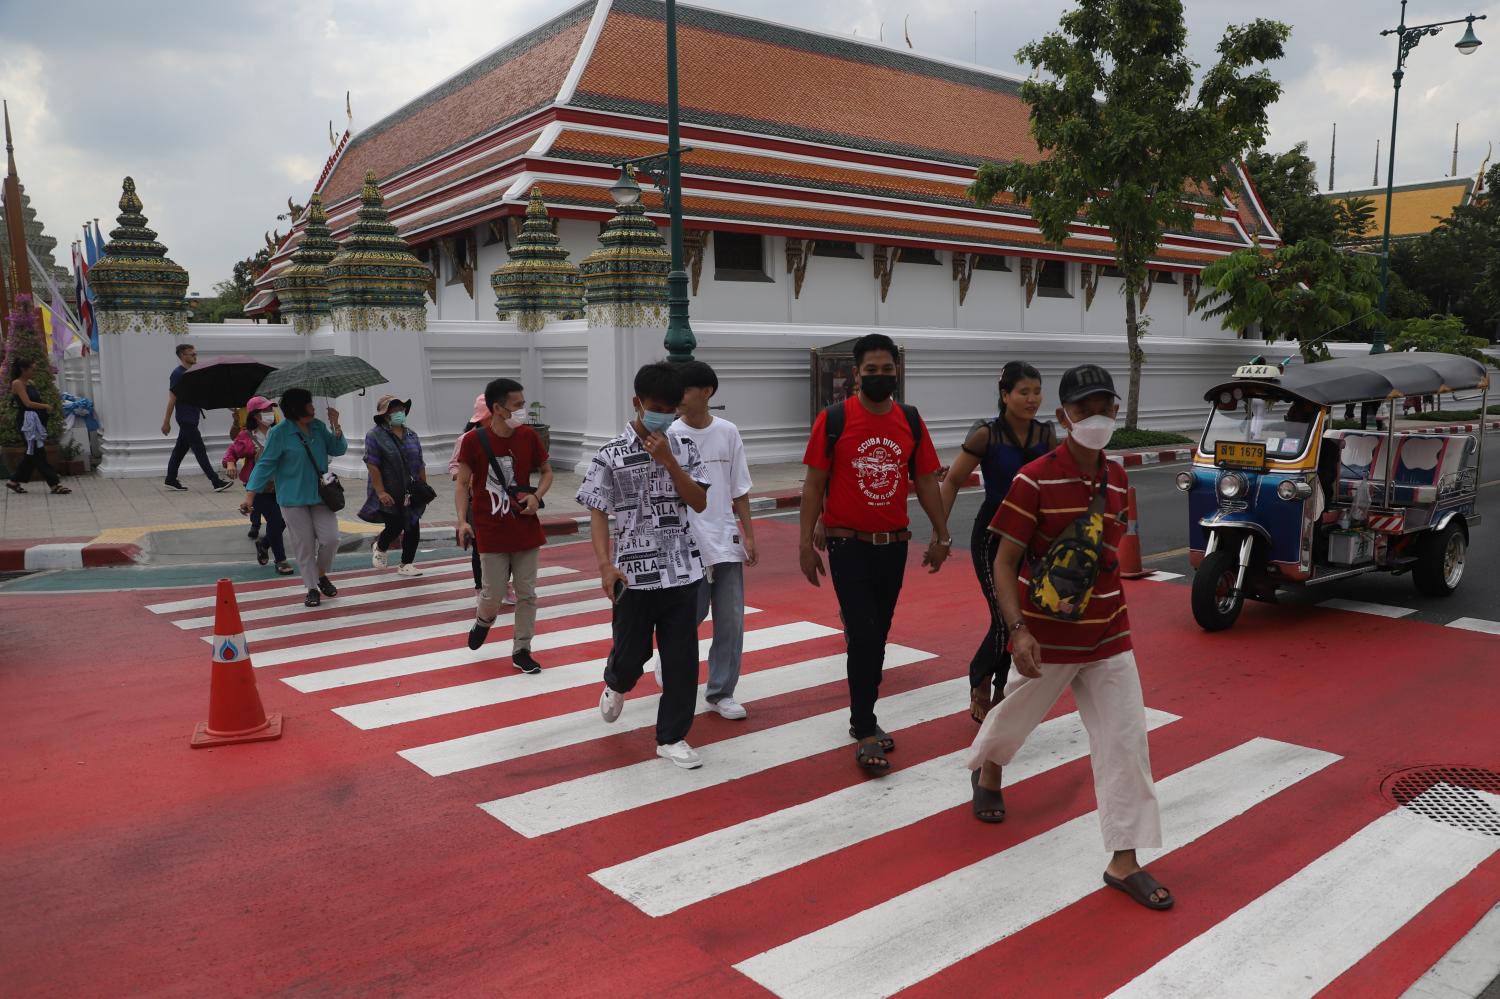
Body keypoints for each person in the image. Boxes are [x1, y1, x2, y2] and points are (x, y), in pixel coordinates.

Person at [966, 363, 1171, 911]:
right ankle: (990, 769)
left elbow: (1110, 555)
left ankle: (1124, 860)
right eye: (1084, 408)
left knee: (1126, 744)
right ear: (1065, 416)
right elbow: (1005, 561)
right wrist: (1018, 630)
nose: (1095, 416)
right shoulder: (1033, 480)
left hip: (1108, 633)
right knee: (1016, 715)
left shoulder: (1119, 479)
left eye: (1104, 406)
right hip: (1047, 635)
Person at [799, 333, 951, 775]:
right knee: (866, 635)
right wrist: (805, 543)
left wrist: (942, 536)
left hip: (894, 545)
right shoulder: (834, 419)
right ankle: (864, 725)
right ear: (856, 373)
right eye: (872, 370)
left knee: (877, 634)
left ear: (896, 371)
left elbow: (926, 481)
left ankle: (863, 712)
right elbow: (813, 484)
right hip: (847, 544)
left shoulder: (910, 419)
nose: (880, 376)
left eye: (887, 370)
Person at [578, 361, 710, 770]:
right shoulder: (610, 455)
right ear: (637, 403)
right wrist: (605, 566)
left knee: (682, 661)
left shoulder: (684, 448)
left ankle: (671, 737)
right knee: (631, 655)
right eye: (657, 408)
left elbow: (699, 501)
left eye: (672, 409)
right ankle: (617, 681)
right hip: (632, 579)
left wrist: (670, 461)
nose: (665, 416)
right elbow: (598, 512)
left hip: (682, 572)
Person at [939, 361, 1054, 724]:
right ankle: (980, 675)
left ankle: (1001, 683)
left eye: (1037, 391)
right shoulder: (986, 435)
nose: (1032, 399)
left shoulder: (1046, 434)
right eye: (1024, 392)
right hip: (992, 536)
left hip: (1031, 538)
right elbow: (952, 480)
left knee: (1020, 616)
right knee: (1006, 619)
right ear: (1005, 395)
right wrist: (940, 533)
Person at [670, 360, 757, 720]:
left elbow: (739, 488)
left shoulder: (727, 432)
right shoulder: (669, 435)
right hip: (685, 544)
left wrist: (749, 534)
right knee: (687, 617)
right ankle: (670, 664)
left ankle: (721, 692)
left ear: (706, 392)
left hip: (724, 539)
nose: (678, 398)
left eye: (685, 390)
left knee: (731, 620)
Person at [455, 378, 553, 672]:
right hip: (491, 529)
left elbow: (547, 472)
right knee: (493, 593)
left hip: (525, 527)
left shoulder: (528, 437)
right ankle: (484, 620)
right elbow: (461, 483)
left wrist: (536, 496)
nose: (522, 410)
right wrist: (462, 521)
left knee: (527, 593)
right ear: (498, 408)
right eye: (517, 405)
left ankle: (522, 649)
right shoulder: (473, 441)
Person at [240, 388, 347, 607]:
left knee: (331, 539)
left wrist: (336, 425)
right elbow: (265, 465)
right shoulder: (279, 433)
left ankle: (320, 574)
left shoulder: (318, 426)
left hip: (321, 495)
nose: (313, 407)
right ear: (296, 408)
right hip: (292, 498)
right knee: (304, 544)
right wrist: (250, 497)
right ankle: (312, 587)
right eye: (308, 404)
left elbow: (338, 449)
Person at [449, 393, 515, 605]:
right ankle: (481, 587)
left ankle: (504, 584)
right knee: (481, 547)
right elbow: (454, 467)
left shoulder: (508, 435)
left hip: (503, 500)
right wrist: (465, 477)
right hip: (477, 501)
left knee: (509, 543)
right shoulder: (466, 439)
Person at [222, 396, 293, 575]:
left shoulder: (279, 432)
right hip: (258, 488)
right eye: (265, 410)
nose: (269, 414)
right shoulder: (246, 436)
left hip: (281, 486)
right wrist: (230, 464)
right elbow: (231, 453)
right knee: (275, 520)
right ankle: (281, 560)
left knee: (285, 520)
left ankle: (264, 543)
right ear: (255, 415)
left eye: (270, 410)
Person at [360, 395, 429, 578]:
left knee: (413, 525)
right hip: (389, 489)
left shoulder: (411, 435)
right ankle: (380, 546)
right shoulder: (375, 435)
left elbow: (420, 462)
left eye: (401, 409)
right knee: (395, 526)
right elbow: (372, 465)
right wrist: (381, 491)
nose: (400, 413)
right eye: (395, 410)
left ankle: (406, 564)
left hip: (411, 490)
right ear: (385, 414)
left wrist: (423, 486)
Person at [161, 343, 233, 492]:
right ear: (183, 356)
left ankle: (170, 479)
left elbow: (203, 393)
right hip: (185, 418)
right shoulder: (177, 374)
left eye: (195, 354)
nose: (195, 356)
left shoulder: (193, 371)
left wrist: (228, 405)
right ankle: (215, 481)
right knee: (199, 449)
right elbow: (172, 399)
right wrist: (166, 422)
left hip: (192, 417)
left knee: (180, 450)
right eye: (192, 354)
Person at [6, 358, 70, 495]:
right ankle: (54, 484)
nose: (33, 372)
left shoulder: (30, 383)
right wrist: (45, 406)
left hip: (37, 420)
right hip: (27, 422)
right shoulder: (17, 383)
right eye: (32, 369)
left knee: (32, 452)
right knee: (38, 452)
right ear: (23, 369)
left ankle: (14, 481)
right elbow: (27, 403)